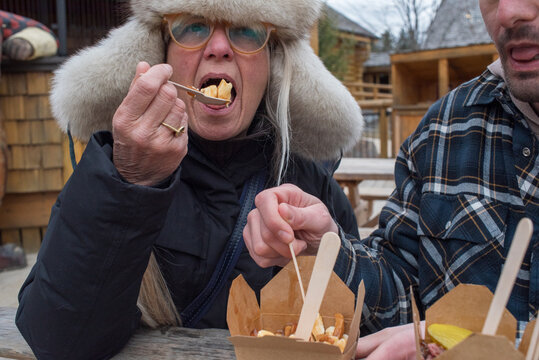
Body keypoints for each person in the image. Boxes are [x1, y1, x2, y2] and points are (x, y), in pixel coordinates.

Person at [14, 0, 363, 359]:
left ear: (272, 62)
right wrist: (131, 183)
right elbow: (58, 341)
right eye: (193, 26)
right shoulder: (113, 167)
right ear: (160, 53)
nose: (219, 48)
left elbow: (362, 325)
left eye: (247, 32)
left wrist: (323, 259)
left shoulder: (311, 183)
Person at [243, 0, 539, 358]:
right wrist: (325, 250)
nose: (508, 13)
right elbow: (400, 293)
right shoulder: (444, 128)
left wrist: (461, 342)